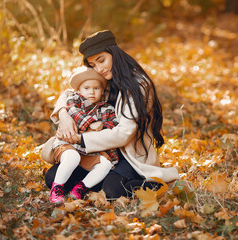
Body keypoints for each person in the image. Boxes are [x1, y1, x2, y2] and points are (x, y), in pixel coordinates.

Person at [42, 30, 179, 200]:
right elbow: (70, 93)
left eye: (102, 60)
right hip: (101, 150)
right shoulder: (104, 79)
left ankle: (158, 184)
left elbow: (124, 134)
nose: (99, 69)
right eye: (93, 65)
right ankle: (98, 180)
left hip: (128, 155)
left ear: (115, 54)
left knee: (112, 192)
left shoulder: (138, 85)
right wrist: (64, 115)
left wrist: (81, 139)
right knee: (52, 177)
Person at [50, 67, 119, 203]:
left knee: (105, 164)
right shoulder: (74, 100)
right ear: (79, 90)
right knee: (72, 157)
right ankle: (56, 187)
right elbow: (74, 111)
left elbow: (113, 126)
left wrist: (102, 127)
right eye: (86, 88)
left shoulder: (108, 109)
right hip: (69, 144)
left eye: (96, 88)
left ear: (102, 91)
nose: (91, 92)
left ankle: (81, 187)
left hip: (90, 150)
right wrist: (91, 124)